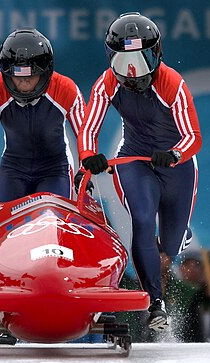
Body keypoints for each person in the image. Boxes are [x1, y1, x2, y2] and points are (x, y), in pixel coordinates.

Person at [77, 12, 202, 331]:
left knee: (169, 249)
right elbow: (89, 127)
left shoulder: (172, 83)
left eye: (141, 59)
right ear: (111, 59)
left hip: (175, 165)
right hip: (134, 159)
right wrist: (89, 156)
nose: (133, 72)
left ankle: (177, 233)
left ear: (156, 54)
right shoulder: (107, 83)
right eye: (123, 62)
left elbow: (193, 136)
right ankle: (155, 303)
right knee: (143, 219)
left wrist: (174, 154)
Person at [0, 28, 88, 202]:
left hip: (54, 169)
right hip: (13, 169)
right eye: (17, 76)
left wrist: (84, 170)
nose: (23, 82)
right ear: (7, 74)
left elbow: (86, 133)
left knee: (51, 218)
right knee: (4, 223)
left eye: (30, 76)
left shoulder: (65, 89)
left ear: (44, 73)